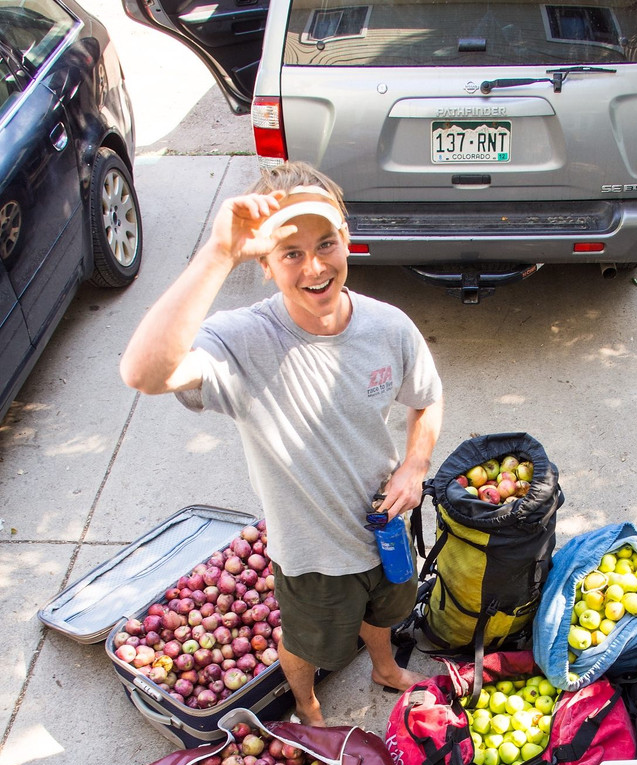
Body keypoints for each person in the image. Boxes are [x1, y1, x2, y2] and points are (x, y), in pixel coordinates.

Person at [120, 162, 443, 725]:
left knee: (385, 611)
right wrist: (220, 252)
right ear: (265, 264)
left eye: (325, 244)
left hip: (385, 526)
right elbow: (144, 373)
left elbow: (427, 397)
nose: (314, 268)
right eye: (290, 253)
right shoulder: (243, 341)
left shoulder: (388, 327)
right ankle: (307, 705)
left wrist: (414, 465)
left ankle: (385, 667)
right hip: (311, 556)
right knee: (305, 646)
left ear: (348, 241)